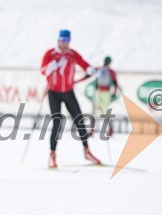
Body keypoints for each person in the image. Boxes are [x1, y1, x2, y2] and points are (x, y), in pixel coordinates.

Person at [40, 29, 101, 168]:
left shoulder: (72, 54)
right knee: (57, 122)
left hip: (68, 91)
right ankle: (52, 154)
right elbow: (43, 70)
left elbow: (84, 64)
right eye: (63, 40)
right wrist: (51, 66)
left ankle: (87, 151)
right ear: (58, 40)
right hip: (53, 92)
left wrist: (92, 70)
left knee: (79, 120)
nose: (65, 43)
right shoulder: (50, 54)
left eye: (67, 41)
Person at [92, 56, 118, 136]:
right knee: (97, 110)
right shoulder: (104, 70)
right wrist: (114, 91)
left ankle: (109, 128)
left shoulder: (107, 71)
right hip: (101, 91)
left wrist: (115, 91)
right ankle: (93, 129)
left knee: (103, 110)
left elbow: (114, 82)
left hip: (103, 91)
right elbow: (115, 83)